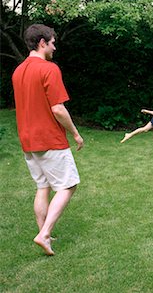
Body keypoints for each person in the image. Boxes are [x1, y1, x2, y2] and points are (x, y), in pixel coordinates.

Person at [12, 24, 84, 256]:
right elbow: (58, 109)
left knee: (43, 186)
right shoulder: (49, 69)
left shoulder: (18, 71)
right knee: (69, 185)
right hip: (49, 139)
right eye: (52, 42)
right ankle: (44, 234)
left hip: (27, 140)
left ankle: (44, 233)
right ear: (42, 42)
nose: (54, 47)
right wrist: (75, 133)